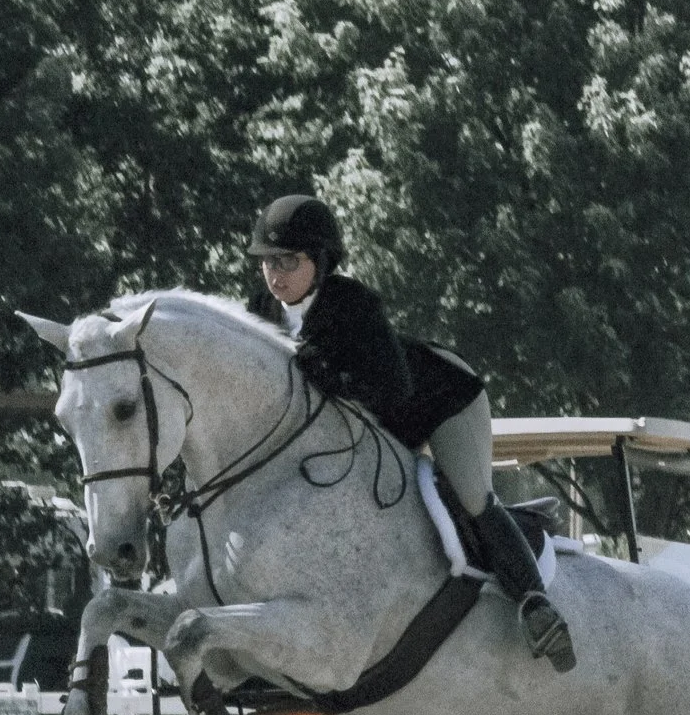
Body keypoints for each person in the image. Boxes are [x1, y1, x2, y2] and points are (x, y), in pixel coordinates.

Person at [245, 194, 575, 671]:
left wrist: (334, 377)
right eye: (267, 262)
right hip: (372, 421)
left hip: (441, 400)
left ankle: (537, 605)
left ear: (320, 262)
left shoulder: (354, 305)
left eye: (288, 261)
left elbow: (394, 390)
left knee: (470, 498)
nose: (275, 274)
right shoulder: (259, 309)